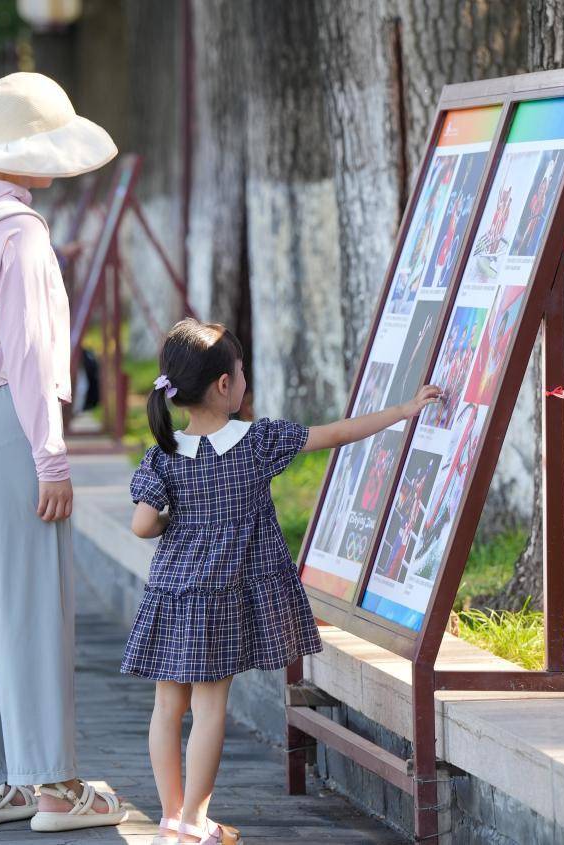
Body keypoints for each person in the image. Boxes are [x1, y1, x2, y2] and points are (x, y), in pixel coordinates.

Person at [125, 318, 441, 844]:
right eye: (241, 371)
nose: (244, 379)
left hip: (172, 591)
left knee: (166, 707)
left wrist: (168, 522)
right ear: (225, 385)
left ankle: (170, 816)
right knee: (208, 710)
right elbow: (336, 434)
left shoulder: (164, 453)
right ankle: (195, 824)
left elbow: (141, 525)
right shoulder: (257, 443)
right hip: (222, 595)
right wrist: (403, 411)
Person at [0, 72, 124, 834]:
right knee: (33, 605)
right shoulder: (20, 232)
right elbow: (36, 354)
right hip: (7, 423)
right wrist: (53, 457)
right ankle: (55, 786)